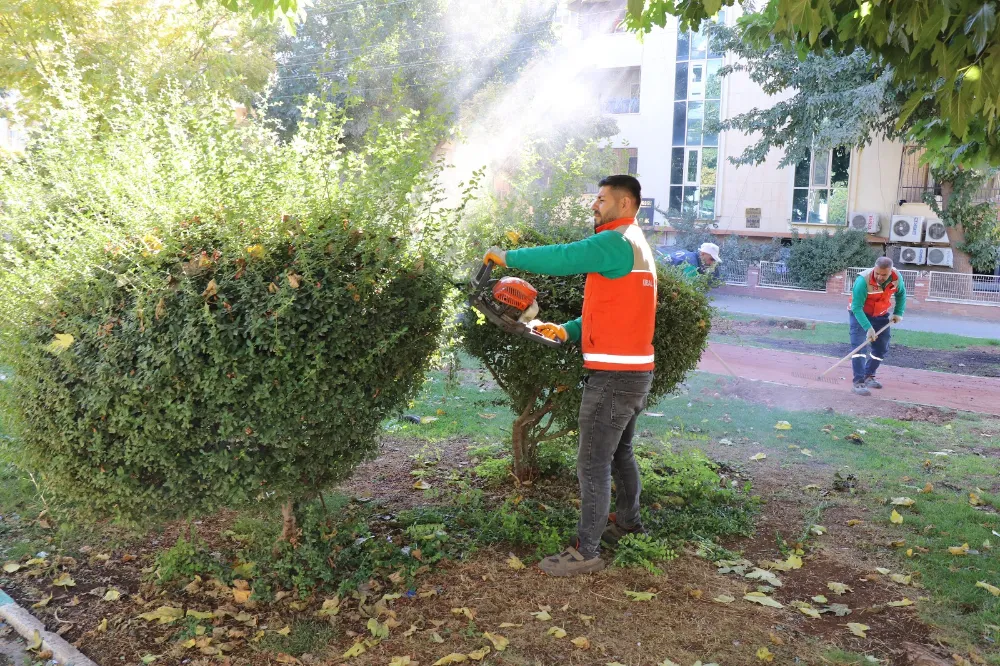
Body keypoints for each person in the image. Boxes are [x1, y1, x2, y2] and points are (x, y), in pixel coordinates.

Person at [481, 174, 656, 577]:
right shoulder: (635, 243)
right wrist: (567, 331)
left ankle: (586, 551)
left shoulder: (615, 241)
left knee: (593, 463)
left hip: (613, 377)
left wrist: (508, 257)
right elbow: (615, 310)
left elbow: (564, 256)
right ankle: (628, 524)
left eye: (602, 199)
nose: (594, 205)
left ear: (625, 204)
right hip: (633, 373)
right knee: (620, 453)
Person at [848, 256, 905, 396]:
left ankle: (869, 375)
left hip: (881, 314)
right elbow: (856, 307)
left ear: (890, 272)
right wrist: (868, 328)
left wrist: (898, 313)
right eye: (877, 273)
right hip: (860, 314)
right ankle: (858, 382)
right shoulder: (863, 281)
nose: (879, 277)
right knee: (859, 347)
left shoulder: (896, 278)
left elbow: (901, 294)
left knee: (881, 348)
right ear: (874, 268)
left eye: (884, 275)